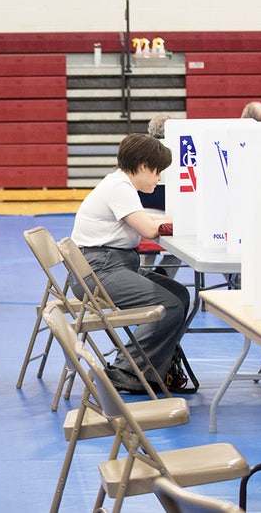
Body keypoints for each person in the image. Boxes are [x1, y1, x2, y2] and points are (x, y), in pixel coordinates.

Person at [70, 133, 189, 394]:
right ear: (145, 166)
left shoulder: (120, 184)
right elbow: (148, 229)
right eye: (157, 172)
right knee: (169, 304)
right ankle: (127, 370)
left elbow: (148, 220)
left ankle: (155, 369)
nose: (158, 180)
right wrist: (191, 223)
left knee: (180, 294)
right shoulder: (119, 188)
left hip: (108, 266)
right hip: (98, 270)